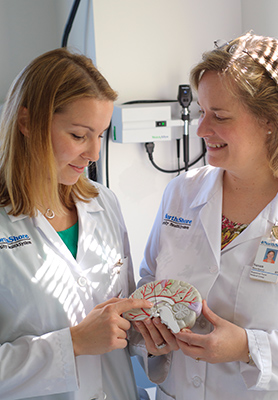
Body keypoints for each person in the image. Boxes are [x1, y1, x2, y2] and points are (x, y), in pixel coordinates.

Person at [131, 32, 278, 399]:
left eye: (219, 116)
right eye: (203, 112)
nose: (202, 129)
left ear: (271, 121)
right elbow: (149, 280)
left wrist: (247, 347)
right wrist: (152, 329)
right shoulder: (182, 192)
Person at [0, 48, 152, 400]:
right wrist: (73, 344)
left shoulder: (104, 203)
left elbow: (122, 321)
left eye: (100, 134)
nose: (94, 153)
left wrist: (150, 331)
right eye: (79, 135)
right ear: (27, 123)